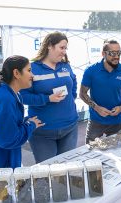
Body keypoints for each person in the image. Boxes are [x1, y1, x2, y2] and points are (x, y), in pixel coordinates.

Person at [0, 55, 43, 183]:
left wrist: (26, 121)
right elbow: (7, 139)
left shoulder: (4, 92)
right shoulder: (5, 98)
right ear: (16, 73)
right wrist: (30, 125)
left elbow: (3, 125)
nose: (32, 75)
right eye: (29, 70)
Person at [20, 32, 78, 163]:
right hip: (43, 131)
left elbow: (73, 82)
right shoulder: (32, 68)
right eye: (61, 47)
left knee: (67, 168)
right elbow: (23, 97)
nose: (64, 51)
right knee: (48, 172)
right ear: (50, 46)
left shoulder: (65, 66)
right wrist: (47, 99)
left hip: (70, 127)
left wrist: (71, 98)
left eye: (65, 48)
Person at [80, 39, 121, 144]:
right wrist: (97, 108)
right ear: (103, 54)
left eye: (118, 53)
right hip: (95, 120)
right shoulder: (91, 70)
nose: (116, 56)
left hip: (116, 121)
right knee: (90, 151)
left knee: (118, 153)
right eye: (112, 53)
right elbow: (82, 93)